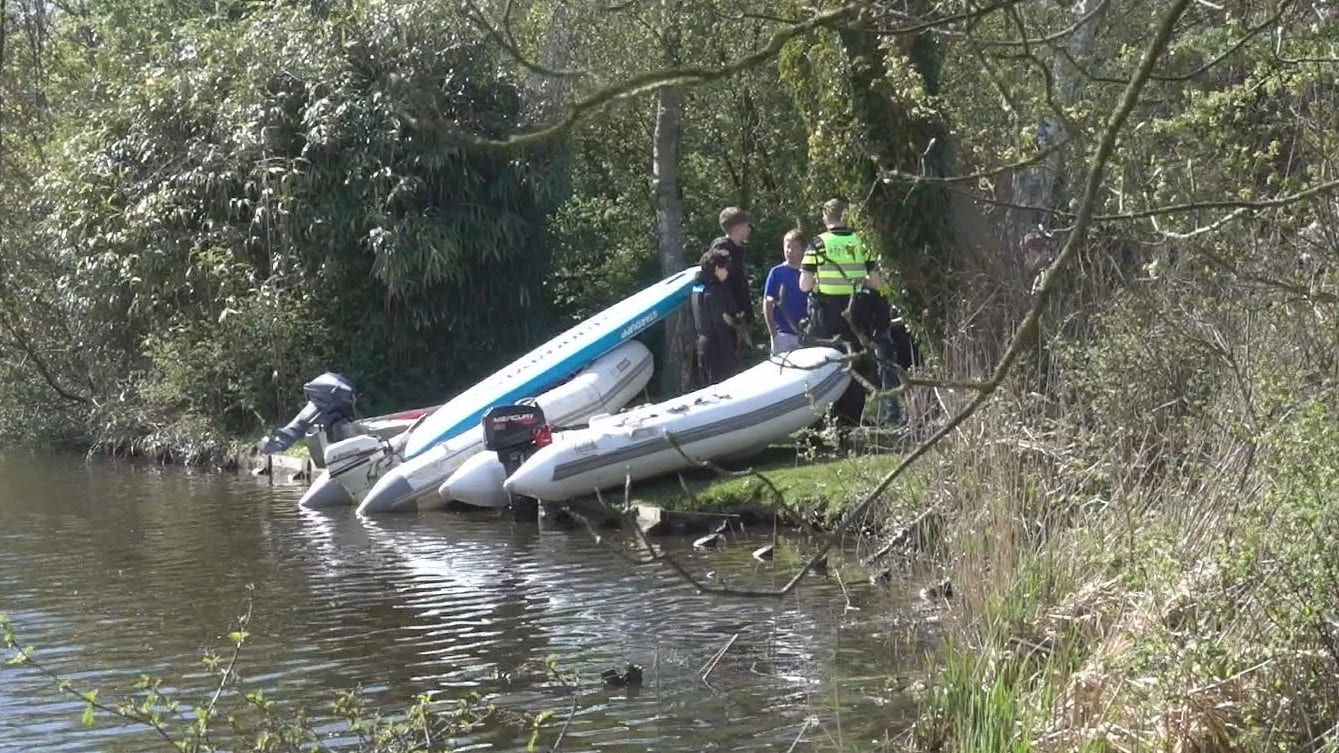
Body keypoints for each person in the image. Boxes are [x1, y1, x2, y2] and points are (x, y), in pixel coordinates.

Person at [799, 198, 882, 428]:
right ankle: (850, 421)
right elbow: (875, 282)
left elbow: (804, 285)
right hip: (856, 312)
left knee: (822, 363)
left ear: (825, 216)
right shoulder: (861, 242)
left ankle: (822, 421)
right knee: (854, 365)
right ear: (846, 215)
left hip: (827, 315)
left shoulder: (817, 244)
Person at [691, 247, 744, 386]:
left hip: (702, 345)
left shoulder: (697, 287)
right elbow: (721, 322)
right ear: (716, 268)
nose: (727, 271)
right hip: (719, 348)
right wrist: (732, 347)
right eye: (724, 268)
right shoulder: (716, 291)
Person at [763, 229, 809, 355]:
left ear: (803, 249)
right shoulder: (777, 272)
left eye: (795, 247)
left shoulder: (809, 273)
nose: (790, 251)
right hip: (783, 334)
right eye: (787, 246)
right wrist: (773, 333)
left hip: (807, 334)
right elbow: (767, 303)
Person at [707, 207, 754, 323]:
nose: (749, 229)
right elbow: (720, 283)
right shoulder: (722, 249)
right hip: (729, 315)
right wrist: (732, 311)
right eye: (746, 226)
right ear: (737, 229)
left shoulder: (738, 250)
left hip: (741, 311)